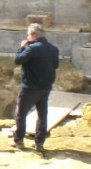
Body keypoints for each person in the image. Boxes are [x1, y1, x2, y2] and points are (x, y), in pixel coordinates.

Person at [12, 23, 59, 153]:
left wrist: (22, 47)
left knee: (21, 114)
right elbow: (55, 65)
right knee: (42, 115)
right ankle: (39, 143)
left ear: (33, 35)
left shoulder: (31, 49)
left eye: (28, 35)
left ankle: (19, 140)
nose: (27, 37)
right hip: (45, 88)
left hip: (29, 88)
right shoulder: (53, 49)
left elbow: (17, 60)